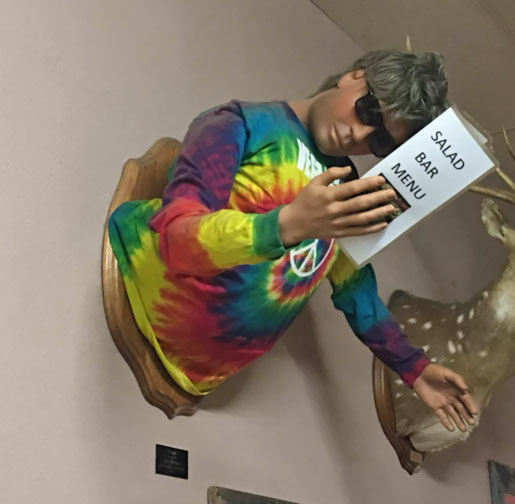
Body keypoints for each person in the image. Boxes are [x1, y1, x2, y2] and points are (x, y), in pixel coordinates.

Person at [108, 49, 478, 433]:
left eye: (381, 140)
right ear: (354, 77)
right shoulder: (243, 124)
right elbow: (176, 240)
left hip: (200, 378)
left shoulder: (349, 190)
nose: (360, 135)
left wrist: (414, 367)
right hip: (135, 297)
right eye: (369, 112)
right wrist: (286, 226)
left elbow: (358, 293)